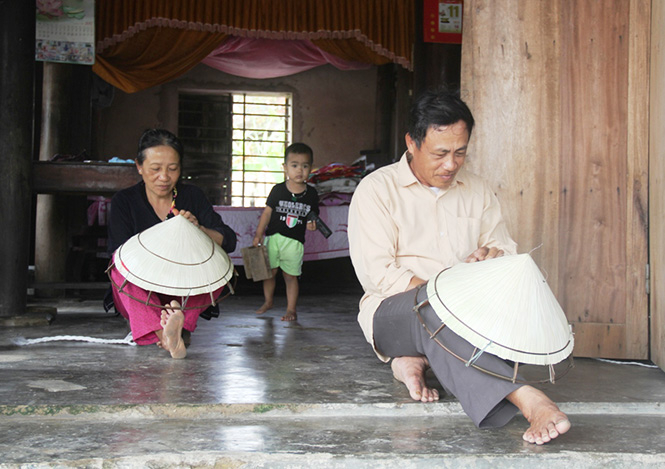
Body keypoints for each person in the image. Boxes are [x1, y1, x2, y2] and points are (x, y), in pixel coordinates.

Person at [347, 90, 570, 445]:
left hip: (466, 318)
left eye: (460, 152)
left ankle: (411, 361)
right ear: (411, 143)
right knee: (432, 306)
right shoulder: (377, 190)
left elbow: (505, 252)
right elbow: (377, 274)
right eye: (440, 153)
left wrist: (492, 260)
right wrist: (448, 295)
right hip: (391, 314)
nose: (451, 164)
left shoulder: (478, 190)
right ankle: (528, 398)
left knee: (482, 304)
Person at [107, 129, 237, 358]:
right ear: (139, 166)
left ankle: (175, 323)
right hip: (140, 295)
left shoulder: (192, 196)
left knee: (219, 267)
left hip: (182, 292)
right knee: (119, 269)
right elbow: (119, 253)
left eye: (173, 169)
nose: (164, 177)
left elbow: (229, 239)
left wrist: (198, 231)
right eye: (155, 169)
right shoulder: (124, 201)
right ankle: (166, 334)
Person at [252, 143, 319, 321]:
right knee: (269, 273)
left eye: (305, 166)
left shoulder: (312, 194)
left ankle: (291, 310)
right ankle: (268, 301)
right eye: (294, 165)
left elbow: (313, 216)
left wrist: (312, 224)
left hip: (295, 242)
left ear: (311, 169)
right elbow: (267, 213)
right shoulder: (278, 190)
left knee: (290, 276)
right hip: (273, 239)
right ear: (285, 168)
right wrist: (258, 234)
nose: (300, 170)